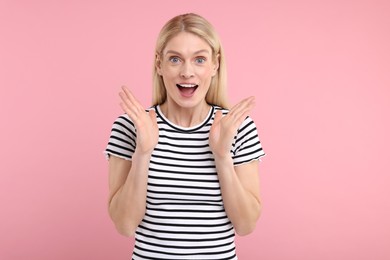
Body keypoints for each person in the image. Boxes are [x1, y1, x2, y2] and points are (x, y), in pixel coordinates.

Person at [104, 13, 265, 260]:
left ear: (215, 65)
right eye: (175, 59)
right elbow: (124, 226)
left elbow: (245, 226)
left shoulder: (238, 128)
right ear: (159, 64)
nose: (187, 72)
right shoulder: (130, 126)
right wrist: (143, 154)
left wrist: (222, 157)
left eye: (199, 59)